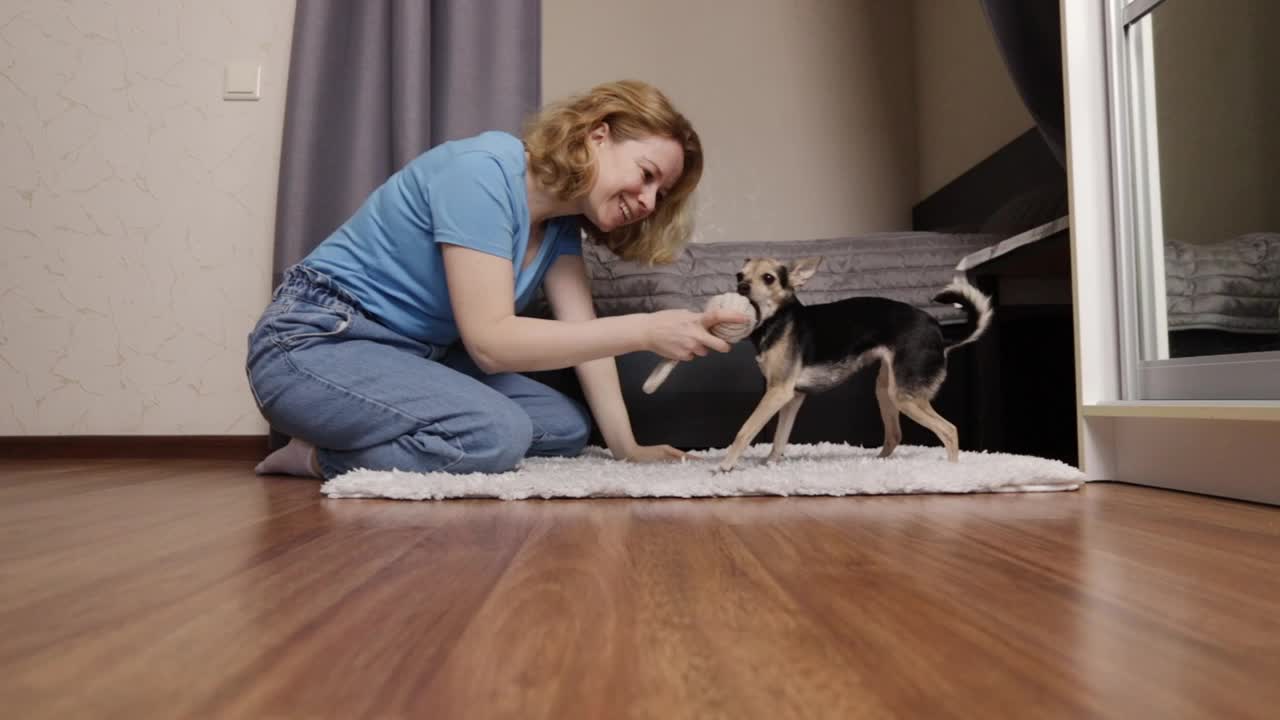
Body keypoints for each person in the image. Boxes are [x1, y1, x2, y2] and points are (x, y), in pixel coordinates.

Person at [245, 80, 749, 479]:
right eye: (647, 174)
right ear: (598, 135)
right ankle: (315, 460)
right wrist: (646, 329)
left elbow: (584, 338)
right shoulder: (482, 172)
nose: (647, 201)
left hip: (409, 357)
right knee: (494, 435)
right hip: (312, 342)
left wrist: (626, 448)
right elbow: (489, 342)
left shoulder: (559, 228)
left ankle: (349, 436)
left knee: (565, 428)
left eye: (660, 194)